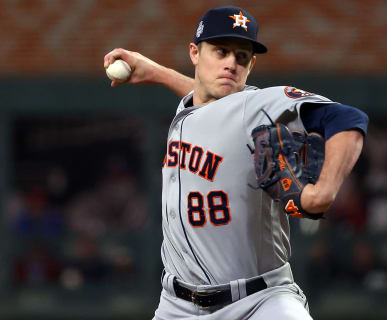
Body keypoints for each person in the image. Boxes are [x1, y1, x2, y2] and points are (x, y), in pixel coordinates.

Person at [104, 6, 368, 319]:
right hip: (177, 306)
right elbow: (205, 101)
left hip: (259, 302)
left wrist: (322, 191)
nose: (231, 63)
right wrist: (156, 73)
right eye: (221, 51)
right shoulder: (191, 109)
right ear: (195, 53)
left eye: (242, 56)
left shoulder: (257, 106)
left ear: (251, 65)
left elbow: (348, 118)